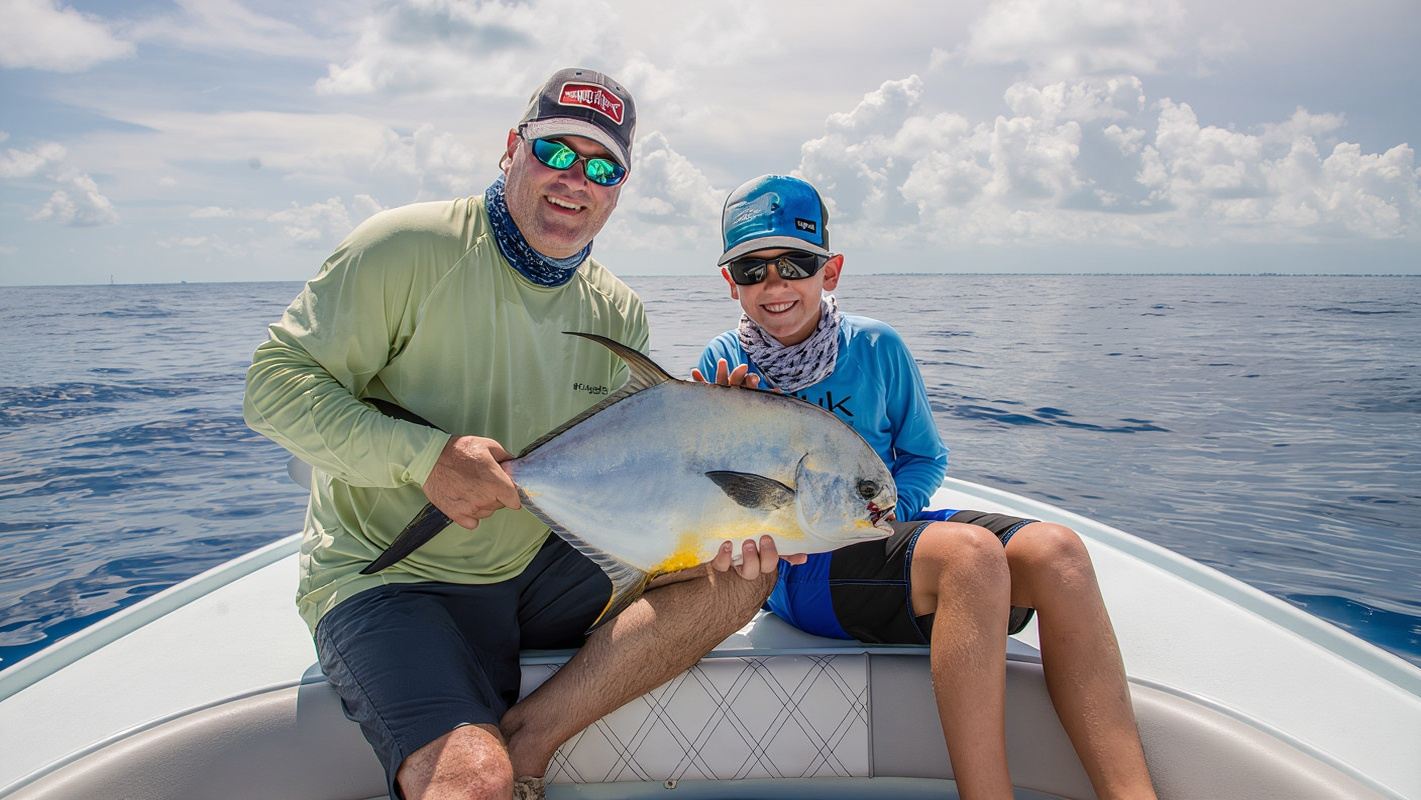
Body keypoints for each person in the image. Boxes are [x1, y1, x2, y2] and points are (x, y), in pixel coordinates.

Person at [244, 69, 796, 800]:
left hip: (534, 561)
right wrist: (425, 459)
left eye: (602, 167)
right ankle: (490, 750)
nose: (576, 180)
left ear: (619, 189)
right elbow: (273, 385)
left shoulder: (618, 312)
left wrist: (718, 441)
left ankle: (536, 730)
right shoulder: (405, 247)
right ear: (511, 149)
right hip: (389, 578)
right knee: (473, 781)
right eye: (555, 153)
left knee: (741, 577)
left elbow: (628, 463)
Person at [695, 174, 1158, 799]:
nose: (774, 285)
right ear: (731, 284)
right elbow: (713, 493)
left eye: (795, 263)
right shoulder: (722, 365)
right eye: (752, 269)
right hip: (796, 565)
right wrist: (718, 418)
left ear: (829, 271)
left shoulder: (879, 347)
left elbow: (923, 458)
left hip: (883, 533)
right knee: (970, 556)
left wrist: (885, 515)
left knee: (1058, 553)